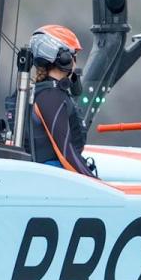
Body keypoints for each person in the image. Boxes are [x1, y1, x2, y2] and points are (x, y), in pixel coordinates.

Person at [24, 25, 98, 177]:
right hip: (53, 177)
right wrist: (98, 183)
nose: (75, 62)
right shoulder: (51, 97)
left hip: (52, 175)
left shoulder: (47, 92)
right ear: (64, 59)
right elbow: (65, 152)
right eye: (73, 56)